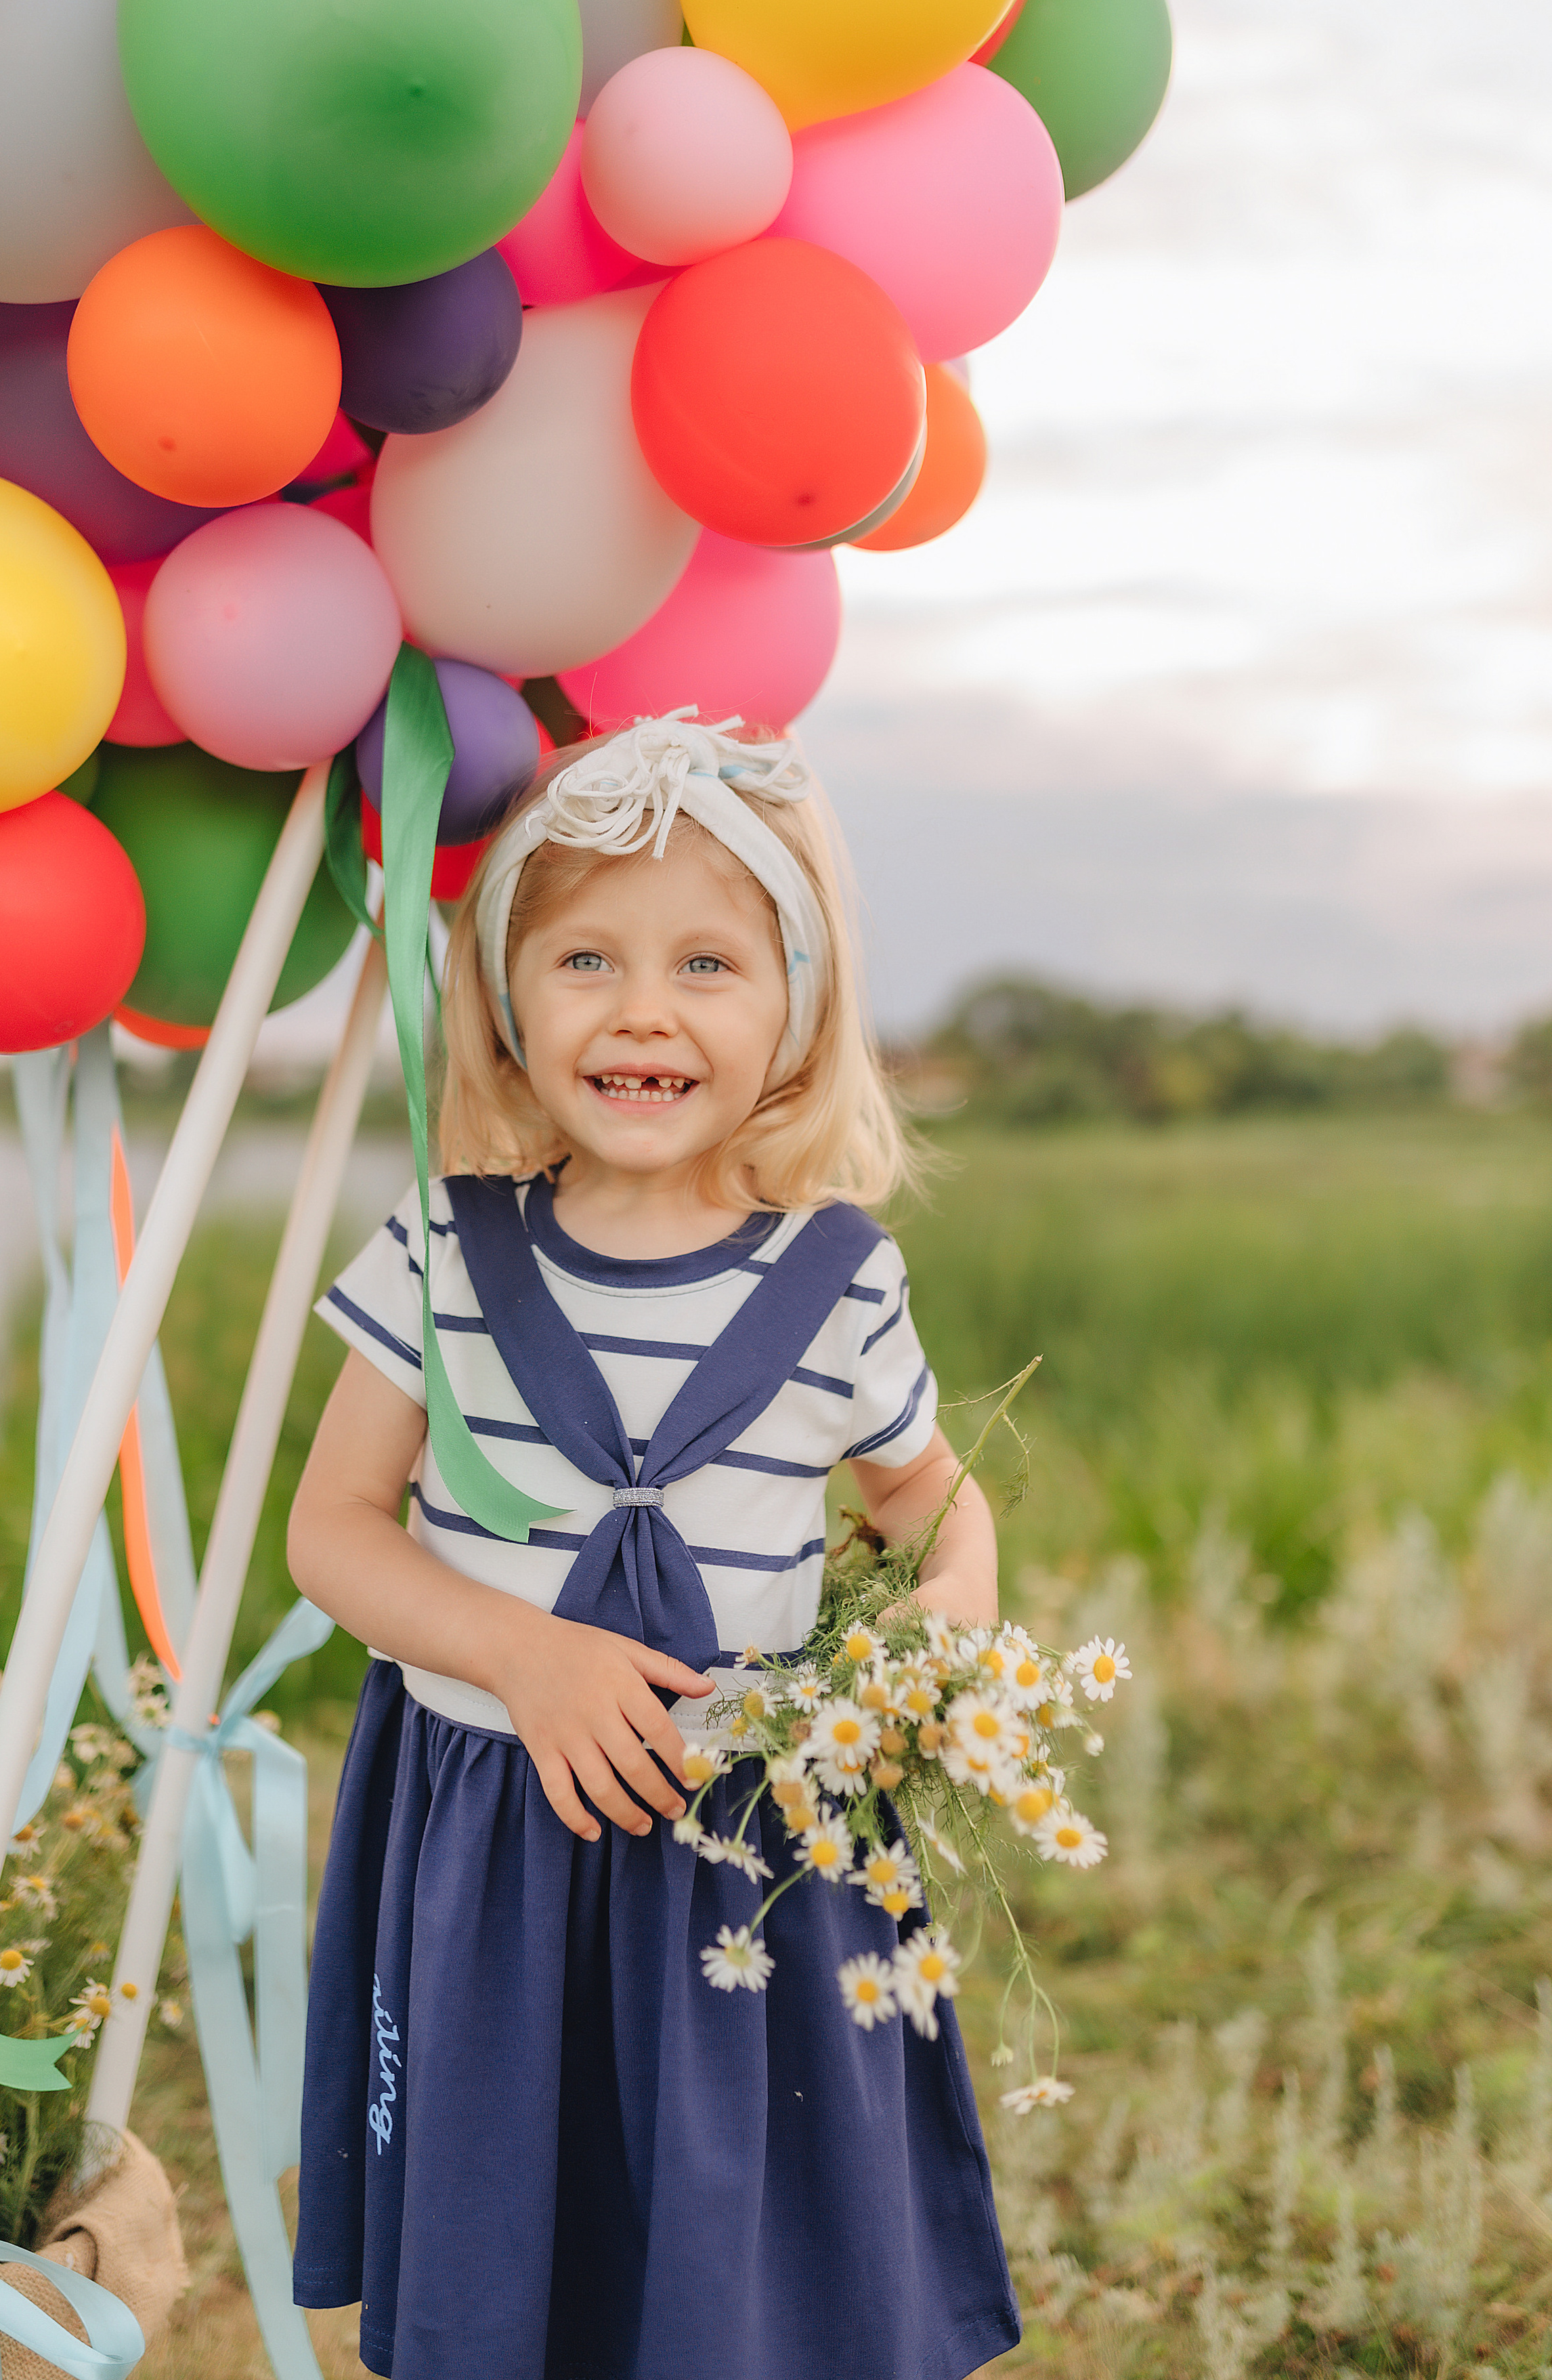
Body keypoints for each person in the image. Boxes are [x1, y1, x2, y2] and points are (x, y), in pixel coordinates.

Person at [288, 714, 1020, 2380]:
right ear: (506, 998)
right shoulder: (443, 1250)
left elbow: (930, 1499)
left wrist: (941, 1633)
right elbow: (330, 1528)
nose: (640, 1009)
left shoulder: (836, 1277)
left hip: (748, 1846)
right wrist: (517, 1648)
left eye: (706, 961)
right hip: (498, 1841)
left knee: (737, 2240)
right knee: (509, 2245)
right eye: (584, 959)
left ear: (793, 1012)